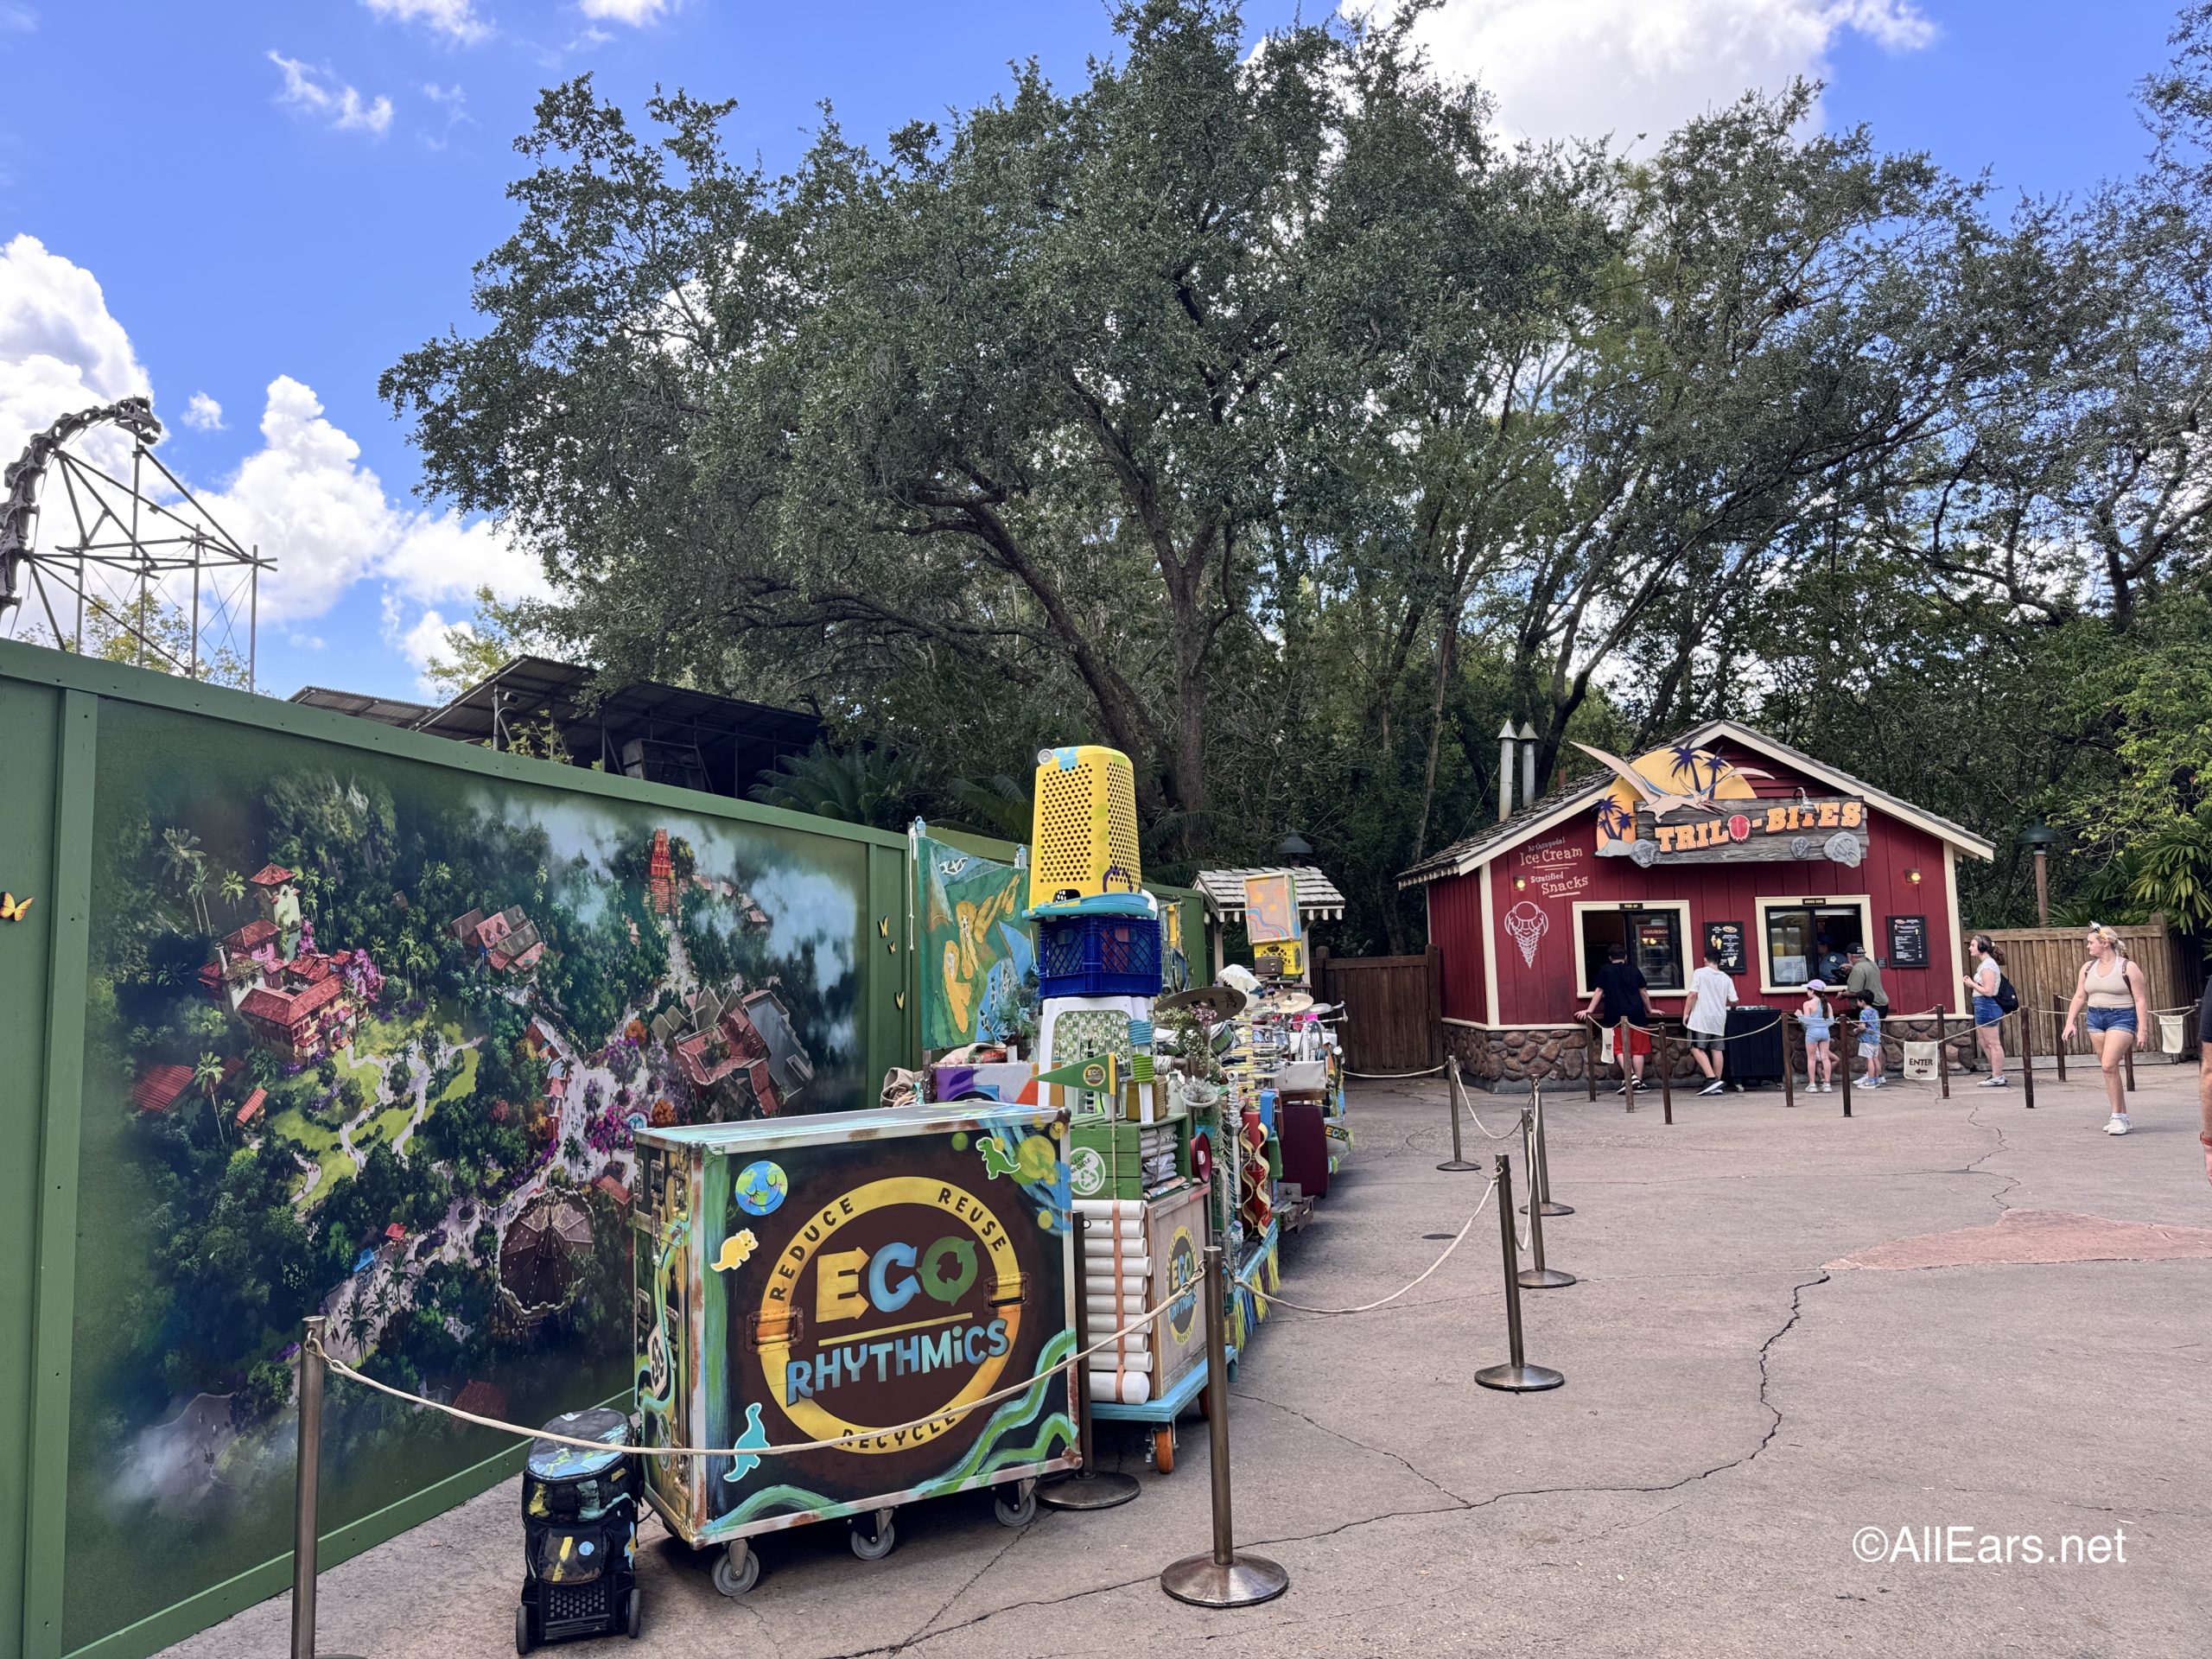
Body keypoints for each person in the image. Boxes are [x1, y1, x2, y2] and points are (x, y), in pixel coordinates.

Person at [2061, 925, 2152, 1135]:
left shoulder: (2128, 967)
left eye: (2091, 942)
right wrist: (2069, 1022)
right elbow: (2080, 996)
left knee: (2108, 1065)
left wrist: (2143, 1029)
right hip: (2095, 1018)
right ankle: (2121, 1116)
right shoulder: (2087, 968)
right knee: (2109, 1069)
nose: (2088, 946)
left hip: (2122, 1016)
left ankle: (2117, 1117)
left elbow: (2140, 999)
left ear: (2105, 943)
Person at [1584, 942, 1652, 1094]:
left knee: (1619, 1048)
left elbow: (1599, 991)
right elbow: (1643, 991)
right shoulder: (1633, 969)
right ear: (1625, 957)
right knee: (1638, 1050)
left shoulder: (1606, 970)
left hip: (1615, 1014)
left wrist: (1589, 1010)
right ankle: (1638, 1082)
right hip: (1637, 1013)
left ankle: (1631, 1077)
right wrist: (1650, 1009)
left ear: (1610, 958)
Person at [1686, 945, 1736, 1096]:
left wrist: (1686, 1013)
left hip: (1701, 1017)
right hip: (1719, 1018)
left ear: (1705, 960)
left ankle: (1711, 1079)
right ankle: (1717, 1084)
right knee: (1717, 1049)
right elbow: (1734, 1000)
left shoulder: (1700, 973)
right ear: (1719, 962)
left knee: (1695, 1047)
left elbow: (1692, 995)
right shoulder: (1726, 978)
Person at [1963, 933, 2008, 1087]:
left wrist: (1971, 984)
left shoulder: (1988, 965)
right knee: (1983, 1041)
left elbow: (1988, 991)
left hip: (1987, 1004)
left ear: (1982, 947)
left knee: (1993, 1042)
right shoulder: (1985, 964)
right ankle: (1996, 1073)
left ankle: (1998, 1075)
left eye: (1973, 945)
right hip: (1982, 1004)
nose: (1970, 948)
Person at [1800, 979, 1835, 1093]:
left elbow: (1807, 1022)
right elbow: (1831, 1021)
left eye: (1808, 990)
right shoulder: (1827, 1004)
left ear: (1812, 991)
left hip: (1812, 1033)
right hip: (1825, 1032)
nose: (1807, 992)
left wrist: (1800, 1016)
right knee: (1825, 1057)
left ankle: (1812, 1084)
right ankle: (1827, 1084)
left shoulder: (1807, 1004)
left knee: (1812, 1058)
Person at [1854, 995, 1884, 1088]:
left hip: (1867, 1039)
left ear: (1863, 1001)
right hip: (1876, 1038)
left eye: (1858, 1001)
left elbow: (1862, 1027)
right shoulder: (1875, 1011)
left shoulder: (1863, 1012)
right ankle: (1877, 1079)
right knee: (1875, 1059)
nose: (1857, 1003)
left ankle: (1870, 1080)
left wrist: (1856, 1030)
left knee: (1869, 1059)